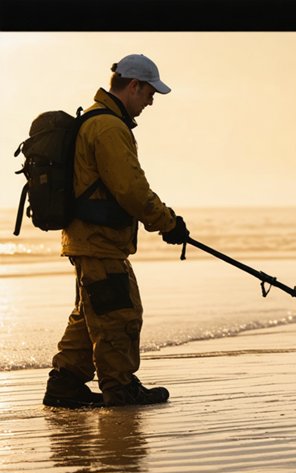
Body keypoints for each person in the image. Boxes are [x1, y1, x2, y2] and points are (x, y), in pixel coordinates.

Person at [42, 54, 189, 409]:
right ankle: (120, 389)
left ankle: (65, 384)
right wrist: (167, 222)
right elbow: (130, 189)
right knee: (119, 314)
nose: (151, 100)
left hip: (87, 239)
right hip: (99, 241)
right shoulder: (108, 127)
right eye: (149, 92)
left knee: (90, 313)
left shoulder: (96, 120)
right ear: (134, 86)